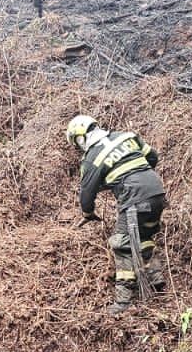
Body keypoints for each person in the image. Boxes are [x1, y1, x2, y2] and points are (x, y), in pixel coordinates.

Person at [65, 114, 166, 312]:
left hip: (135, 200)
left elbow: (86, 193)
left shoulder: (92, 159)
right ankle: (155, 279)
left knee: (122, 244)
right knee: (142, 236)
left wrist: (87, 214)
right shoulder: (125, 136)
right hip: (157, 193)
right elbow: (153, 156)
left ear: (80, 138)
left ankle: (123, 301)